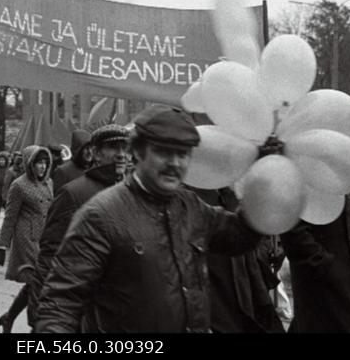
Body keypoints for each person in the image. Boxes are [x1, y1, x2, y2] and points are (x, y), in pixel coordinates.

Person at [36, 104, 263, 333]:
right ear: (138, 152)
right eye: (164, 151)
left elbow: (238, 235)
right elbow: (60, 304)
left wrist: (264, 180)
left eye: (182, 153)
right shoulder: (100, 215)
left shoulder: (191, 206)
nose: (175, 163)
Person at [28, 124, 128, 328]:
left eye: (125, 148)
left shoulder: (133, 194)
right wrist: (46, 318)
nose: (121, 154)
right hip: (85, 313)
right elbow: (49, 258)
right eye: (113, 148)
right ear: (96, 153)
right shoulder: (73, 194)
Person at [192, 186, 285, 333]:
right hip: (216, 295)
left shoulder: (225, 193)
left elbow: (239, 233)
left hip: (246, 284)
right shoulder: (189, 201)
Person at [280, 193, 350, 332]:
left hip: (349, 273)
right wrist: (323, 264)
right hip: (322, 278)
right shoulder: (302, 179)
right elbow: (291, 229)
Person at [0, 145, 54, 332]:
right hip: (26, 239)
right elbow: (10, 216)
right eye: (38, 163)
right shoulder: (19, 185)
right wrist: (2, 245)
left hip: (43, 239)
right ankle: (36, 326)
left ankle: (9, 317)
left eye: (45, 162)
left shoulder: (49, 183)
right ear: (30, 164)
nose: (43, 167)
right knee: (38, 281)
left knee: (35, 282)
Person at [50, 129, 92, 195]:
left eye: (91, 148)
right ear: (78, 150)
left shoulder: (93, 169)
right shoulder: (62, 172)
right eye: (86, 148)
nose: (90, 152)